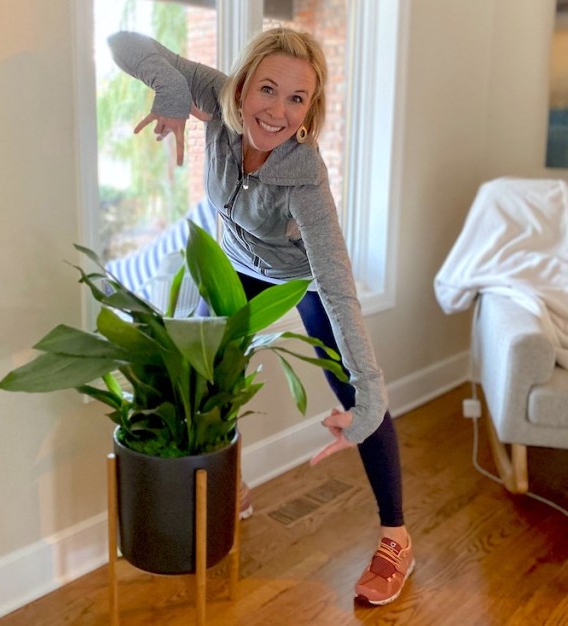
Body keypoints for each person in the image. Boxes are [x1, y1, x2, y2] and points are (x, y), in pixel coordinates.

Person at [108, 27, 412, 606]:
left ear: (309, 111)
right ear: (243, 85)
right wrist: (172, 95)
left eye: (296, 99)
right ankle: (233, 489)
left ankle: (396, 536)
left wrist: (368, 399)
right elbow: (124, 42)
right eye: (267, 89)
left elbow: (339, 289)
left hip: (300, 278)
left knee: (357, 391)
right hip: (237, 264)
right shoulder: (218, 101)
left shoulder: (306, 179)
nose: (276, 111)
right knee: (197, 373)